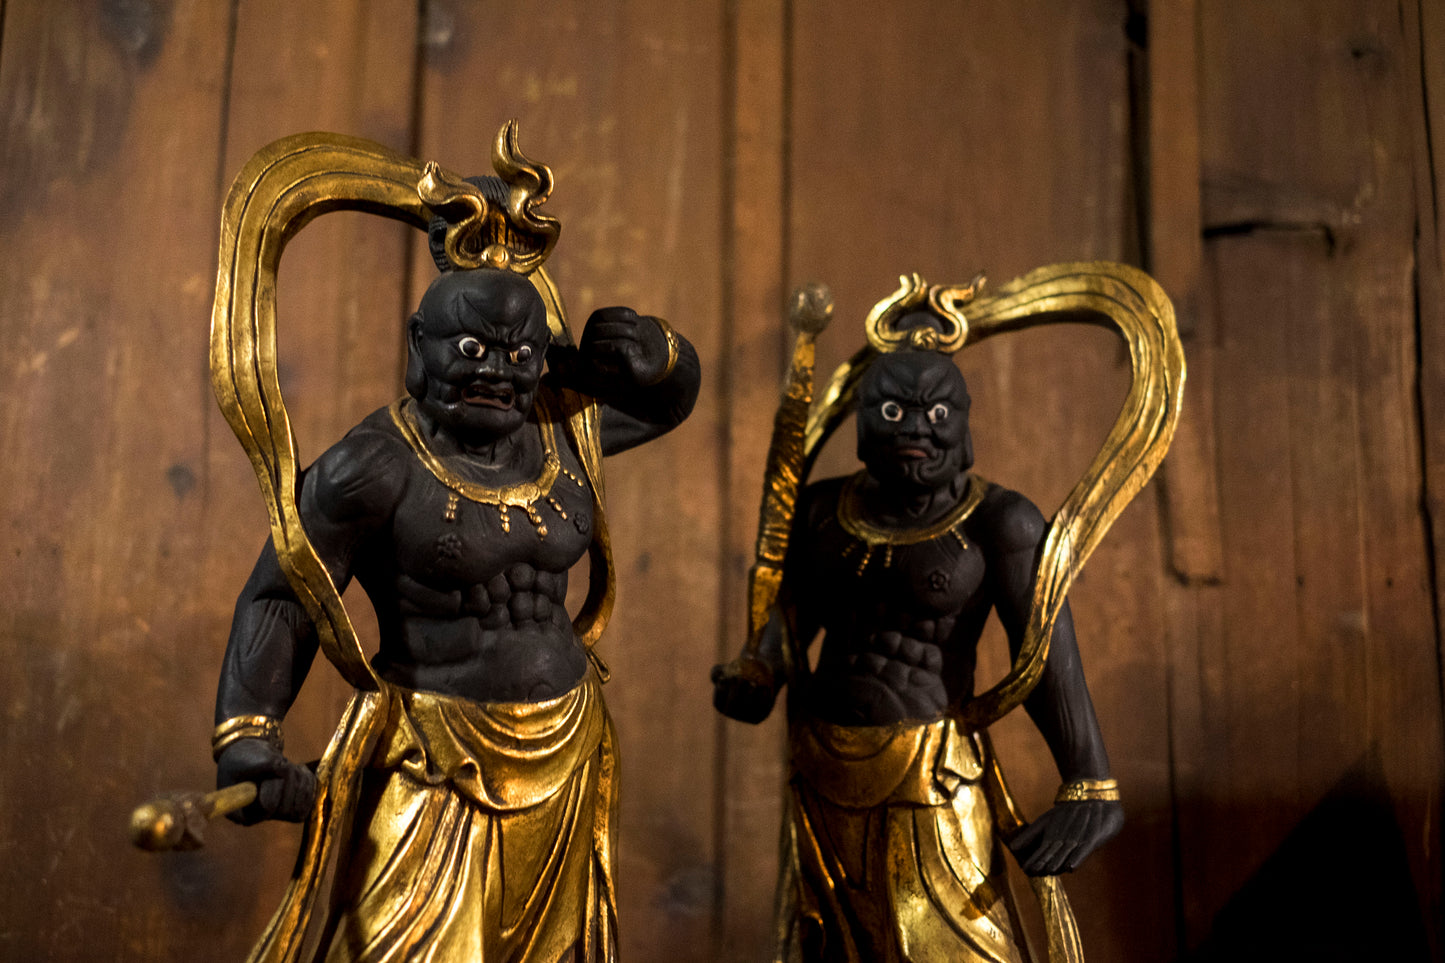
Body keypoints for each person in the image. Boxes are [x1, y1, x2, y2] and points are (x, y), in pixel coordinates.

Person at [213, 256, 698, 962]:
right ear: (417, 344)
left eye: (519, 353)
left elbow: (662, 404)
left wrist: (659, 354)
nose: (496, 372)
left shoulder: (561, 432)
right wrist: (248, 738)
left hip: (566, 748)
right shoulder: (371, 468)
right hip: (432, 760)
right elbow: (284, 597)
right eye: (471, 349)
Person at [713, 318, 1121, 963]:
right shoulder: (821, 510)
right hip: (824, 769)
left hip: (933, 776)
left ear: (965, 427)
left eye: (935, 412)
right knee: (842, 948)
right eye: (892, 410)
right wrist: (758, 670)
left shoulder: (1001, 522)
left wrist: (1089, 782)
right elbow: (791, 620)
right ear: (861, 425)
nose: (914, 429)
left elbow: (1043, 658)